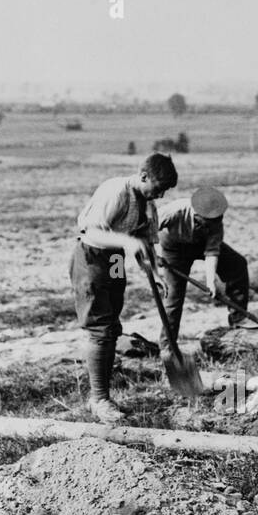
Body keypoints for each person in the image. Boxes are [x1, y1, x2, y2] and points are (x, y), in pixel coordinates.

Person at [70, 153, 178, 424]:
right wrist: (127, 242)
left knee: (113, 327)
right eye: (158, 188)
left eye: (164, 191)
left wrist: (154, 274)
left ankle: (103, 391)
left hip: (115, 260)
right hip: (91, 257)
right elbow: (91, 232)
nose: (161, 195)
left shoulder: (148, 203)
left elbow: (146, 242)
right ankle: (99, 399)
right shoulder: (115, 190)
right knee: (100, 328)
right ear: (143, 177)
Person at [154, 186, 253, 356]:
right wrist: (153, 256)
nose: (214, 224)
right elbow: (146, 232)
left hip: (199, 245)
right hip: (174, 249)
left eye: (217, 220)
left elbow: (212, 251)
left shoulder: (215, 220)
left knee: (237, 264)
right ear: (197, 215)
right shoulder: (173, 211)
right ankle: (167, 346)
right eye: (209, 222)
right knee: (174, 297)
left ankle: (238, 318)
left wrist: (210, 281)